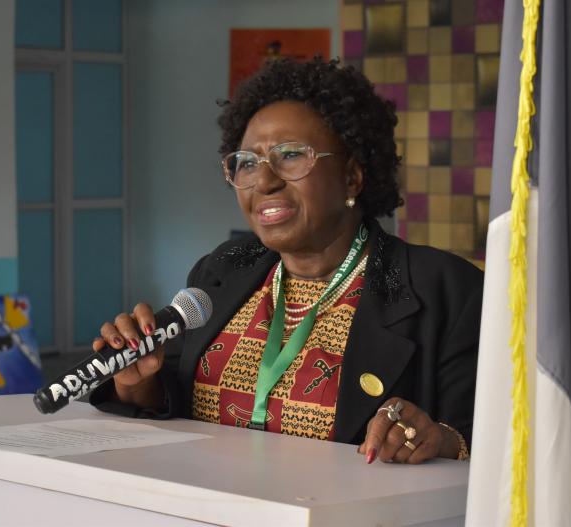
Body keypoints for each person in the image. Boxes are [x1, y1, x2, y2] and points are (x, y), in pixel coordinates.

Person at [90, 57, 483, 465]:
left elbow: (496, 438)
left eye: (291, 155)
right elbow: (172, 400)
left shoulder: (446, 290)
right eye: (247, 162)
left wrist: (436, 437)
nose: (264, 181)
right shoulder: (223, 268)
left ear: (352, 176)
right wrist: (137, 380)